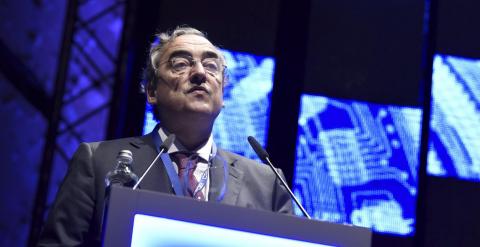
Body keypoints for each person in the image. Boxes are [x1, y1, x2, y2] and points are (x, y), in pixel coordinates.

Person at [38, 26, 293, 246]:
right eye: (181, 64)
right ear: (151, 91)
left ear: (222, 95)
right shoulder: (97, 161)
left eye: (211, 66)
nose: (199, 73)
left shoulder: (267, 183)